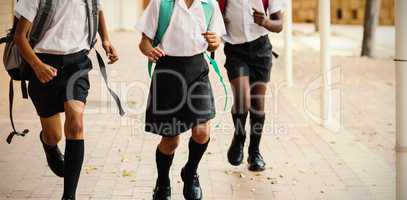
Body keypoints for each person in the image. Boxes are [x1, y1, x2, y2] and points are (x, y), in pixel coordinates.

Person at [14, 0, 118, 199]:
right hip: (43, 65)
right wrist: (37, 66)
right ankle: (49, 144)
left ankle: (69, 196)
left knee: (76, 125)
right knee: (54, 135)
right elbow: (20, 37)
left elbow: (98, 10)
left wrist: (105, 39)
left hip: (76, 65)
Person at [136, 0, 225, 199]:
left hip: (197, 71)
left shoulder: (208, 5)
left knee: (202, 132)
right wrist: (149, 50)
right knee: (170, 140)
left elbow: (217, 40)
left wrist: (215, 42)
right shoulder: (161, 4)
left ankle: (191, 172)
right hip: (168, 72)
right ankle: (163, 181)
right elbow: (144, 42)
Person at [221, 0, 284, 172]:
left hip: (261, 50)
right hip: (235, 50)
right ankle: (239, 135)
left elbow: (279, 25)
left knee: (257, 105)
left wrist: (265, 22)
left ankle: (254, 152)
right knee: (242, 100)